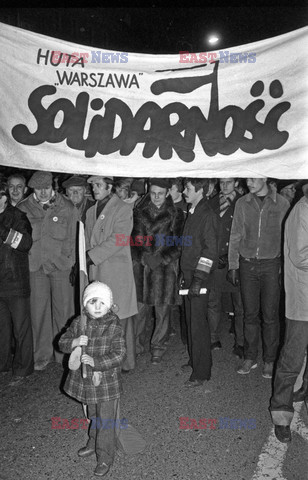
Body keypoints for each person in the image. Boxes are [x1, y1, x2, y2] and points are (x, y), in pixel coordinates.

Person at [59, 281, 126, 476]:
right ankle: (93, 441)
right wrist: (74, 342)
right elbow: (62, 342)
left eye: (102, 303)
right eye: (92, 301)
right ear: (85, 304)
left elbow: (119, 354)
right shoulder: (79, 322)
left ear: (109, 305)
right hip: (87, 382)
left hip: (106, 383)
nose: (97, 307)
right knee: (93, 415)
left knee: (106, 419)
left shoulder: (114, 325)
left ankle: (105, 456)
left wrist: (96, 361)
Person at [228, 177, 289, 377]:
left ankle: (270, 360)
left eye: (254, 179)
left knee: (271, 316)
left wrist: (283, 266)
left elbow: (286, 237)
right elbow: (235, 235)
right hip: (247, 265)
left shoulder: (281, 203)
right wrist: (233, 265)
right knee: (249, 314)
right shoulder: (242, 203)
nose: (249, 182)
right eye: (248, 179)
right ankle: (250, 356)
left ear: (265, 177)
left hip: (272, 264)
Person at [19, 171, 79, 370]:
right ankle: (41, 355)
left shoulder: (67, 207)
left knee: (64, 312)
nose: (43, 192)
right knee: (38, 313)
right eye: (38, 189)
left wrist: (70, 262)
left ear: (53, 186)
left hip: (60, 267)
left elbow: (73, 237)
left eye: (46, 188)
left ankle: (63, 354)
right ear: (32, 189)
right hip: (35, 266)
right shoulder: (23, 208)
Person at [85, 175, 138, 372]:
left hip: (117, 272)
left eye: (98, 185)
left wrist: (91, 256)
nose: (94, 189)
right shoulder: (91, 211)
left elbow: (119, 239)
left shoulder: (123, 209)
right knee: (100, 317)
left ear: (110, 187)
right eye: (92, 185)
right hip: (97, 271)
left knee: (120, 317)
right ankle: (105, 361)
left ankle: (126, 362)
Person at [270, 181, 308, 443]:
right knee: (292, 359)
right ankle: (281, 414)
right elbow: (300, 256)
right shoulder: (303, 210)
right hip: (303, 301)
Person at [131, 178, 184, 364]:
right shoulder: (138, 211)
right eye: (153, 193)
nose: (156, 197)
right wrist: (144, 257)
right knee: (139, 311)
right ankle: (136, 345)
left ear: (168, 192)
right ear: (148, 190)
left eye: (160, 193)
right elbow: (133, 240)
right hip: (144, 267)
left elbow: (179, 244)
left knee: (162, 311)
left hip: (165, 269)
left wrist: (161, 258)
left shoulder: (176, 214)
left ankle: (158, 347)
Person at [180, 178, 218, 387]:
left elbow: (209, 252)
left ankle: (202, 372)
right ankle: (195, 360)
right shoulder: (193, 211)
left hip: (198, 279)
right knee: (190, 322)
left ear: (200, 191)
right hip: (189, 276)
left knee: (198, 326)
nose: (185, 191)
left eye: (188, 188)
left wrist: (198, 279)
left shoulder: (207, 215)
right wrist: (183, 273)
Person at [0, 181, 34, 383]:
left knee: (21, 329)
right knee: (2, 328)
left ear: (4, 198)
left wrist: (3, 231)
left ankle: (23, 368)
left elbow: (25, 243)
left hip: (15, 282)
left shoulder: (18, 217)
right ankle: (2, 364)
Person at [208, 178, 244, 357]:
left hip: (237, 260)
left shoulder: (243, 202)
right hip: (217, 259)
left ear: (236, 183)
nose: (225, 185)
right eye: (222, 182)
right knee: (213, 300)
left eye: (229, 182)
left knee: (240, 304)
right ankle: (213, 337)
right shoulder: (212, 202)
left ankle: (241, 342)